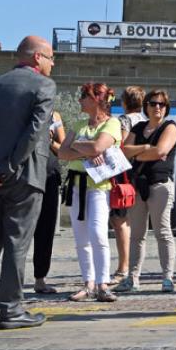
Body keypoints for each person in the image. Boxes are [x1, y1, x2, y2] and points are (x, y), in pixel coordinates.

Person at [0, 35, 56, 330]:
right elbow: (35, 130)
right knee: (17, 242)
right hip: (25, 177)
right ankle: (11, 309)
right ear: (37, 57)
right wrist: (10, 165)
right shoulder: (43, 85)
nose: (53, 64)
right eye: (51, 58)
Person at [58, 82, 121, 303]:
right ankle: (88, 283)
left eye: (84, 95)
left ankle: (103, 283)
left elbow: (98, 148)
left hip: (99, 186)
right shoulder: (79, 123)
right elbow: (62, 153)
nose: (80, 100)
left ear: (96, 100)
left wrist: (79, 146)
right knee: (80, 236)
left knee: (97, 233)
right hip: (77, 185)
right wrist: (85, 150)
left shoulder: (112, 124)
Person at [116, 89, 176, 293]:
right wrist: (145, 149)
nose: (157, 107)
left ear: (166, 107)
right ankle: (133, 277)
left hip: (159, 184)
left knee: (162, 231)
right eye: (153, 103)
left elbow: (161, 151)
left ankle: (167, 277)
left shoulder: (170, 127)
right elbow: (124, 151)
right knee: (137, 234)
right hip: (137, 185)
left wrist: (138, 152)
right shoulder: (139, 126)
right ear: (146, 106)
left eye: (161, 104)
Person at [110, 86, 146, 286]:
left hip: (125, 176)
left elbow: (122, 146)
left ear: (124, 102)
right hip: (141, 174)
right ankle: (131, 266)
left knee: (120, 221)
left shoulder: (124, 120)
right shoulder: (144, 120)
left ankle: (123, 266)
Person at [31, 108, 65, 295]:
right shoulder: (22, 112)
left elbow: (63, 148)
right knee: (20, 230)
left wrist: (49, 140)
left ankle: (40, 278)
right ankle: (11, 279)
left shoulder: (55, 116)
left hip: (49, 176)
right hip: (26, 176)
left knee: (46, 229)